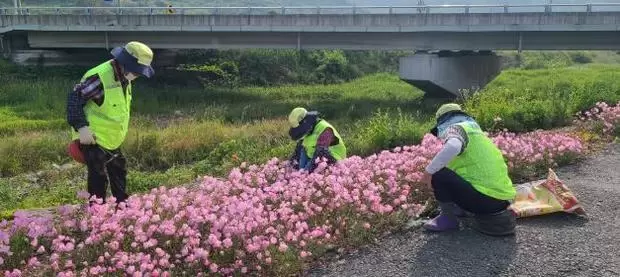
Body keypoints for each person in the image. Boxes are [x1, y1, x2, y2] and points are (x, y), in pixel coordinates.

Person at [66, 41, 155, 205]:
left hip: (112, 137)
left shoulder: (125, 78)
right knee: (98, 176)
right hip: (92, 137)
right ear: (125, 63)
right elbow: (74, 100)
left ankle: (122, 207)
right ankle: (97, 213)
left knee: (119, 169)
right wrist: (82, 127)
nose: (137, 75)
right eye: (136, 71)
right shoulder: (100, 77)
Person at [421, 103, 517, 236]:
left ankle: (448, 219)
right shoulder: (477, 134)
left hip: (485, 201)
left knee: (438, 173)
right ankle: (460, 209)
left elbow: (453, 146)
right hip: (502, 201)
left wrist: (428, 171)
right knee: (453, 171)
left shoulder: (456, 128)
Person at [287, 107, 346, 172]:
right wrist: (291, 166)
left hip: (333, 159)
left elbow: (320, 153)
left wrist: (306, 173)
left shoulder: (325, 129)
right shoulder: (308, 131)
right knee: (301, 147)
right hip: (314, 157)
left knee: (308, 169)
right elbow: (299, 150)